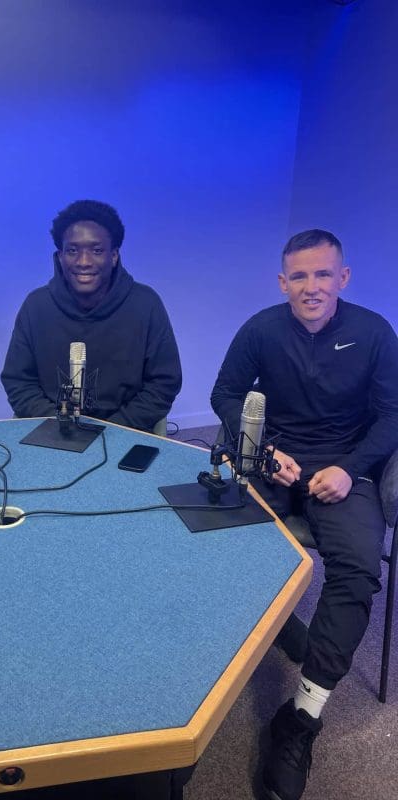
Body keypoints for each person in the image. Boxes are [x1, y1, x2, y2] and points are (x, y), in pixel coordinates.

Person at [210, 229, 398, 800]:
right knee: (219, 535)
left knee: (360, 569)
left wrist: (351, 467)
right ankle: (281, 624)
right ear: (282, 281)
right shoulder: (261, 328)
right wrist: (265, 454)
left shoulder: (373, 333)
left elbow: (392, 416)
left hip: (345, 471)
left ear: (342, 277)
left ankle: (302, 716)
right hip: (276, 462)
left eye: (323, 275)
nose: (311, 287)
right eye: (299, 275)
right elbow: (224, 394)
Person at [1, 200, 182, 432]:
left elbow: (164, 383)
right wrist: (58, 422)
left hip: (125, 431)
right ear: (60, 256)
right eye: (73, 251)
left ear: (114, 255)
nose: (84, 262)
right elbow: (18, 381)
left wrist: (115, 428)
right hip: (52, 428)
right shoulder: (36, 306)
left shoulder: (146, 304)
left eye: (96, 251)